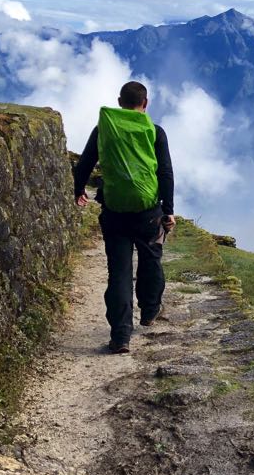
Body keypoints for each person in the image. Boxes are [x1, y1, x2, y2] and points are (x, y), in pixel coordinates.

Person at [73, 81, 176, 354]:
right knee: (151, 259)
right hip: (148, 210)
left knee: (119, 271)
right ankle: (150, 311)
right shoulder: (155, 132)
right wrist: (168, 210)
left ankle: (120, 337)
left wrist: (78, 189)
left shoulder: (103, 129)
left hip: (115, 210)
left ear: (119, 102)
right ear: (146, 103)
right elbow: (164, 172)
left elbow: (84, 163)